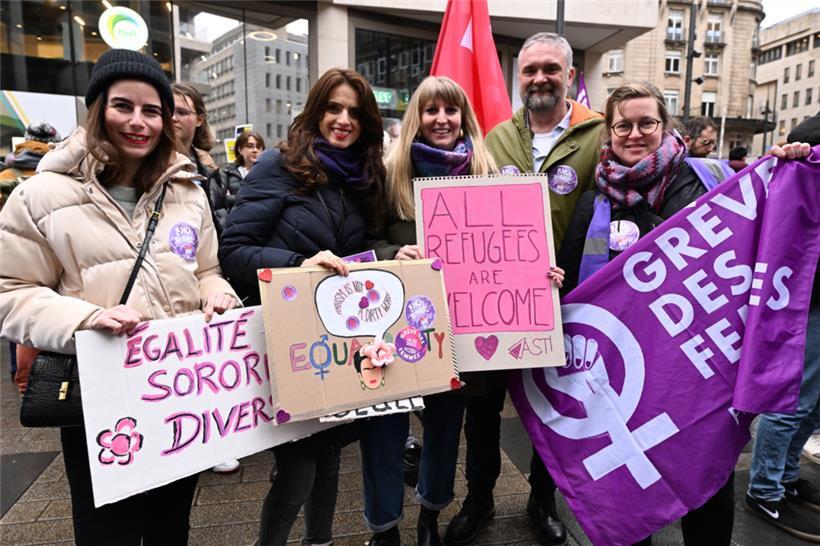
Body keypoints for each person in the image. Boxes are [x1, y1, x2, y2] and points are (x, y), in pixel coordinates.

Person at [557, 81, 812, 546]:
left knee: (708, 486)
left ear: (665, 126)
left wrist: (792, 165)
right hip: (630, 377)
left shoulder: (714, 177)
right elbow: (573, 286)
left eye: (647, 123)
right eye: (623, 126)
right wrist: (552, 284)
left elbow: (772, 217)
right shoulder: (593, 202)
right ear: (609, 132)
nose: (635, 134)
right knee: (630, 494)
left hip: (701, 370)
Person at [0, 48, 238, 545]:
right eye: (122, 106)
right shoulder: (41, 195)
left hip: (177, 394)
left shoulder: (187, 191)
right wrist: (87, 319)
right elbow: (11, 292)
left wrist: (217, 295)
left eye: (152, 110)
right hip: (99, 401)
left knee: (171, 526)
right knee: (107, 530)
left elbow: (207, 270)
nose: (138, 122)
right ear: (97, 109)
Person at [369, 75, 551, 546]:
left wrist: (539, 271)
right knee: (393, 431)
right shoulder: (390, 175)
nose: (442, 119)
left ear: (463, 117)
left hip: (469, 329)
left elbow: (514, 245)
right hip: (403, 329)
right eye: (431, 110)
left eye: (451, 110)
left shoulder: (487, 172)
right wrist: (391, 252)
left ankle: (431, 515)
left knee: (450, 430)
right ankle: (386, 526)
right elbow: (366, 240)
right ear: (417, 117)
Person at [218, 67, 386, 546]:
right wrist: (299, 265)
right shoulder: (280, 164)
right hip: (289, 340)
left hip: (342, 341)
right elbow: (234, 251)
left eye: (354, 112)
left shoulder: (365, 176)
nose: (343, 120)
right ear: (316, 111)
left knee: (330, 458)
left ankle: (320, 541)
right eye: (333, 108)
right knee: (298, 469)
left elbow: (363, 255)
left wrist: (397, 256)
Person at [448, 32, 604, 546]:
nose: (540, 78)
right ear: (519, 77)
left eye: (550, 69)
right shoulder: (494, 138)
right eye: (530, 70)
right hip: (495, 303)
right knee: (482, 408)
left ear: (570, 75)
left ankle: (542, 500)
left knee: (551, 406)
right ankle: (479, 498)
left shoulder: (598, 134)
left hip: (566, 301)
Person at [744, 114, 820, 542]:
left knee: (814, 402)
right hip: (809, 299)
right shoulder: (811, 140)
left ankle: (786, 476)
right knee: (794, 398)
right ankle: (765, 489)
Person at [171, 82, 230, 235]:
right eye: (168, 110)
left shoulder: (208, 167)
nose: (173, 118)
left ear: (199, 119)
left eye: (182, 112)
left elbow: (219, 217)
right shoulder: (149, 161)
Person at [222, 130, 265, 209]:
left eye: (258, 147)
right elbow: (221, 199)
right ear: (240, 150)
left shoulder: (268, 173)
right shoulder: (228, 173)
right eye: (250, 146)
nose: (255, 150)